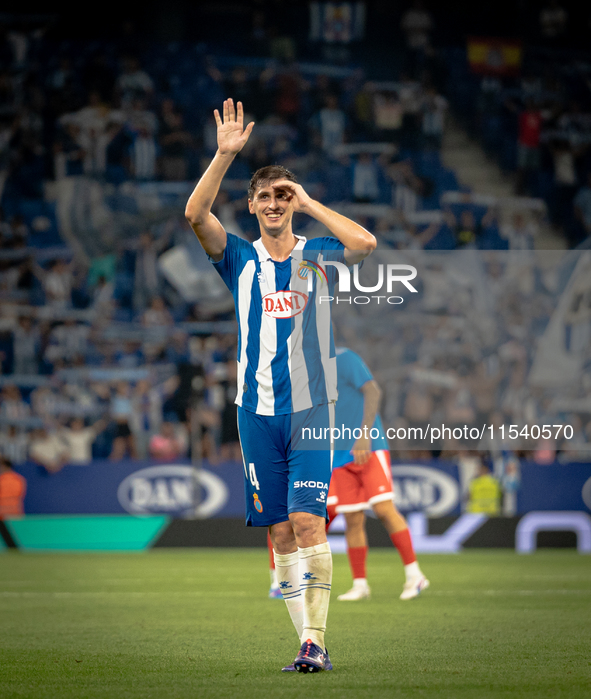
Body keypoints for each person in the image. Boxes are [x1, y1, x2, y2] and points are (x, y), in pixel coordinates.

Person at [185, 98, 376, 674]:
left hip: (313, 409)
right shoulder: (238, 258)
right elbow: (196, 214)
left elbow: (365, 246)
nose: (273, 204)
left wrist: (310, 200)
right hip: (255, 412)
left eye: (282, 195)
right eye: (265, 196)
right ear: (251, 204)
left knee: (308, 521)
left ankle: (316, 640)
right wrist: (223, 156)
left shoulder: (318, 253)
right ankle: (305, 641)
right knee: (279, 532)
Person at [326, 347, 429, 601]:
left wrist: (365, 434)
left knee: (384, 509)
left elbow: (373, 391)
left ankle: (415, 575)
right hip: (339, 455)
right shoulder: (312, 370)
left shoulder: (344, 358)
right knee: (352, 519)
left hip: (368, 447)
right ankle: (360, 584)